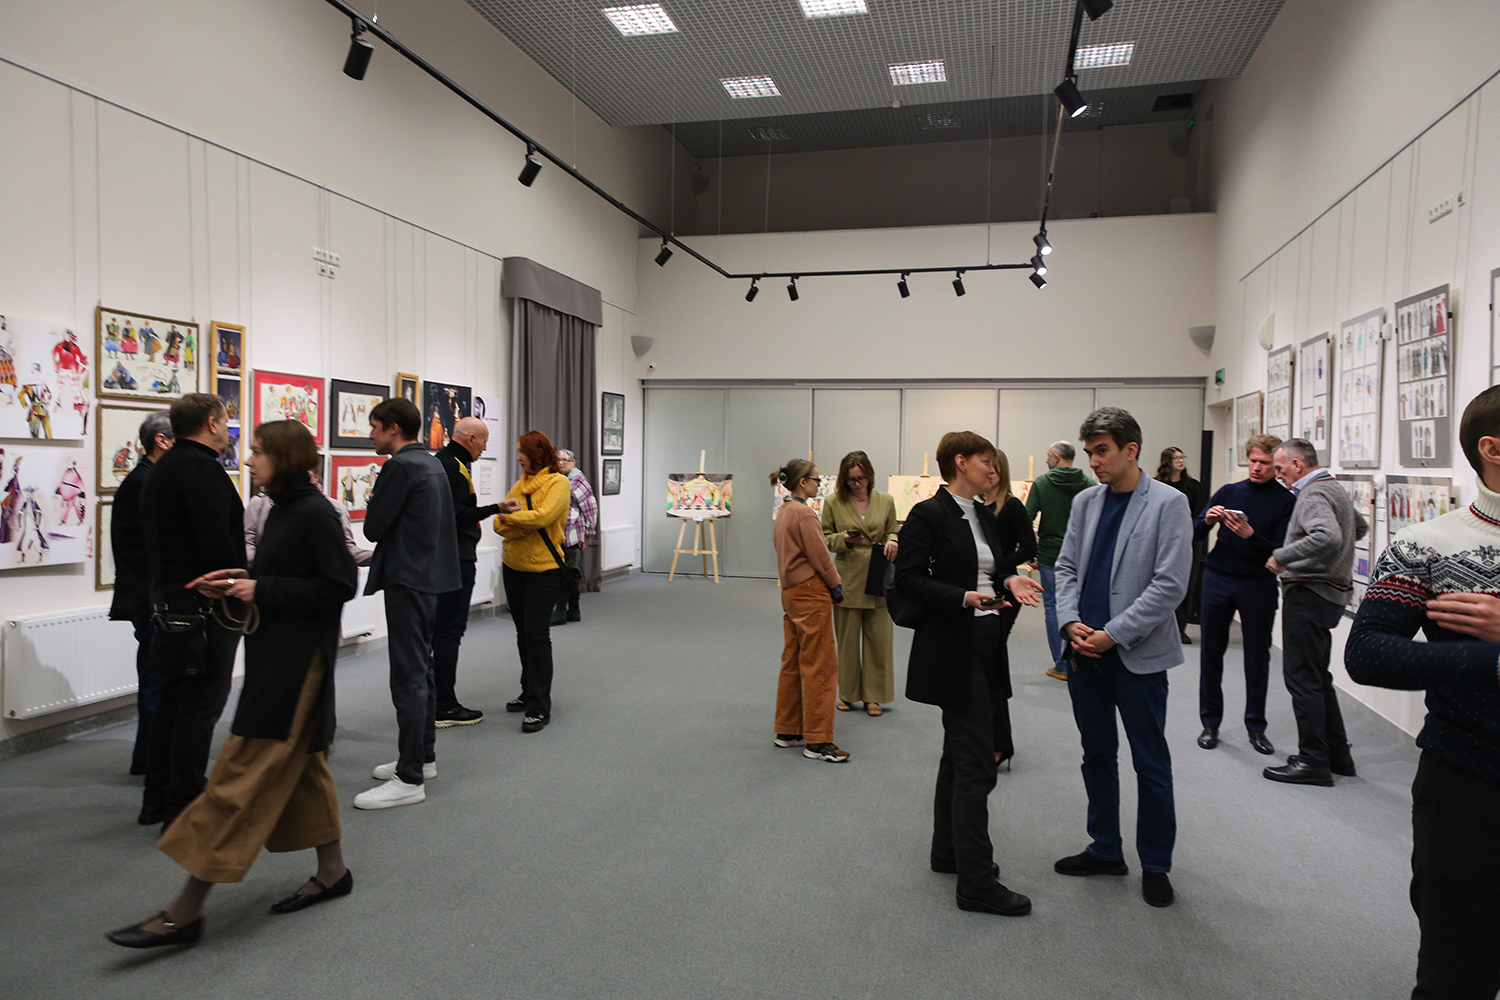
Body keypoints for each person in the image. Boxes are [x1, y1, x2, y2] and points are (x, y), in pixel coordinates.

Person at [106, 420, 358, 950]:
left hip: (296, 667)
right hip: (275, 657)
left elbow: (339, 585)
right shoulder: (280, 508)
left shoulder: (313, 512)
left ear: (285, 457)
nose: (247, 459)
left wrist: (260, 587)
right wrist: (237, 581)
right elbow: (285, 575)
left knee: (237, 780)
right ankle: (333, 871)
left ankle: (185, 911)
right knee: (305, 768)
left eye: (259, 451)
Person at [1346, 387, 1500, 998]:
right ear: (1492, 449)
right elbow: (1368, 653)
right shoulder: (1428, 544)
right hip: (1468, 784)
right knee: (1456, 972)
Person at [896, 431, 1043, 916]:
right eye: (986, 462)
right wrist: (961, 597)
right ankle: (976, 882)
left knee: (958, 755)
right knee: (978, 762)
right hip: (953, 646)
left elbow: (994, 568)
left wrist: (1010, 578)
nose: (994, 470)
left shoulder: (982, 514)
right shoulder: (929, 514)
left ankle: (948, 852)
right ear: (960, 463)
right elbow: (909, 579)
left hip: (986, 639)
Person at [1054, 407, 1191, 908]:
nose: (1093, 461)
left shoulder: (1169, 503)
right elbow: (1065, 568)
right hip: (1083, 654)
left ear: (1131, 450)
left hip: (1136, 655)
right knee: (1096, 755)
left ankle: (1156, 863)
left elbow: (1169, 585)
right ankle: (1105, 848)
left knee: (1150, 762)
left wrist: (1113, 634)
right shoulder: (1086, 501)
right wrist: (1069, 622)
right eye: (1089, 452)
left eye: (1102, 451)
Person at [138, 394, 247, 830]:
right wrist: (237, 584)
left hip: (171, 601)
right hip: (206, 605)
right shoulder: (201, 470)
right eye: (225, 421)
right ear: (211, 422)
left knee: (173, 700)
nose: (229, 430)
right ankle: (182, 804)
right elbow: (218, 544)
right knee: (201, 703)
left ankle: (157, 798)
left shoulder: (163, 467)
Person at [354, 397, 460, 810]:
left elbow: (374, 527)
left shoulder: (400, 467)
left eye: (374, 427)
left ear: (393, 428)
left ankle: (410, 776)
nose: (371, 435)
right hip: (427, 577)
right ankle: (422, 758)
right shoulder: (430, 463)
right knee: (422, 669)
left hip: (408, 578)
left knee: (409, 676)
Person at [1262, 438, 1367, 786]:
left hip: (1309, 593)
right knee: (1317, 677)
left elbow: (1328, 536)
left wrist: (1283, 556)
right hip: (1329, 595)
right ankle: (1337, 755)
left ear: (1297, 464)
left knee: (1302, 678)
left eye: (1280, 469)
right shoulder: (1332, 487)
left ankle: (1313, 761)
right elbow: (1358, 528)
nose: (1278, 475)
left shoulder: (1313, 493)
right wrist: (1335, 561)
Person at [1193, 434, 1295, 755]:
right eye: (1253, 461)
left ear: (1276, 465)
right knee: (1211, 652)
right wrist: (1207, 520)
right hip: (1218, 578)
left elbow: (1281, 550)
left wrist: (1251, 535)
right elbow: (1194, 530)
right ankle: (1210, 723)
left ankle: (1256, 727)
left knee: (1257, 657)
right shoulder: (1229, 491)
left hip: (1258, 584)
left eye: (1264, 463)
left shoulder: (1286, 501)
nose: (1257, 468)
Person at [109, 411, 174, 779]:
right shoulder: (144, 482)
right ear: (161, 441)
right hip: (150, 598)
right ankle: (150, 758)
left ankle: (147, 756)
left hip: (148, 594)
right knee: (156, 678)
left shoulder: (147, 479)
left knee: (156, 676)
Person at [771, 458, 847, 762]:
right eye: (816, 480)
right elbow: (821, 556)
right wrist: (836, 585)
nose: (819, 484)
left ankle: (787, 729)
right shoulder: (804, 514)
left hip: (790, 592)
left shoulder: (784, 511)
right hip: (811, 593)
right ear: (802, 482)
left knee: (792, 660)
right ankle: (818, 740)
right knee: (821, 665)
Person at [493, 431, 570, 733]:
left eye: (521, 452)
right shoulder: (520, 483)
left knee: (537, 635)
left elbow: (544, 517)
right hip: (513, 566)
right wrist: (517, 523)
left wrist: (513, 518)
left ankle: (539, 705)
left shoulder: (558, 482)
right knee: (522, 633)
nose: (518, 458)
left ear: (535, 453)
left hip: (544, 569)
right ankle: (528, 691)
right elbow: (498, 524)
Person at [433, 417, 502, 726]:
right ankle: (444, 705)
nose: (485, 448)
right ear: (471, 438)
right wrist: (497, 508)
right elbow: (458, 515)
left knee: (440, 632)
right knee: (449, 633)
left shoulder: (444, 462)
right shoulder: (453, 467)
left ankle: (436, 700)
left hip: (445, 557)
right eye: (484, 441)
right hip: (455, 559)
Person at [820, 451, 898, 717]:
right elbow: (824, 538)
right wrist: (842, 538)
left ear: (870, 476)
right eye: (851, 480)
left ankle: (874, 696)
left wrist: (893, 540)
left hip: (878, 574)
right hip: (847, 576)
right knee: (848, 641)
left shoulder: (886, 500)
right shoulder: (833, 502)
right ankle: (848, 693)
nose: (856, 484)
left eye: (861, 479)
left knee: (879, 641)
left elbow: (892, 530)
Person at [980, 448, 1037, 765]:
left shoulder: (1011, 506)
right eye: (985, 466)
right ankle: (988, 738)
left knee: (992, 664)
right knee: (985, 664)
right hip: (979, 589)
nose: (989, 471)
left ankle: (1001, 744)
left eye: (995, 467)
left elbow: (1029, 547)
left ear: (1003, 472)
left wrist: (997, 565)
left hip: (1006, 588)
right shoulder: (976, 505)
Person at [1026, 440, 1097, 681]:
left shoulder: (1042, 483)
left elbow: (1027, 518)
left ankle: (1062, 664)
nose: (1046, 459)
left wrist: (1027, 551)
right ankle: (1081, 657)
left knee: (1054, 607)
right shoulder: (1090, 485)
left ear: (1056, 457)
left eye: (1048, 455)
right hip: (1082, 556)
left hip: (1051, 555)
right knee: (1080, 606)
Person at [244, 473, 372, 567]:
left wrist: (379, 557)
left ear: (316, 476)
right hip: (267, 584)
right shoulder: (260, 503)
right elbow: (248, 543)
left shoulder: (334, 507)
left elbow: (346, 550)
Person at [1155, 446, 1205, 644]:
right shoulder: (1157, 485)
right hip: (1162, 539)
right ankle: (1158, 626)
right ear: (1167, 462)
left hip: (1190, 540)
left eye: (1182, 457)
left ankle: (1180, 628)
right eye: (1176, 458)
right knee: (1159, 582)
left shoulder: (1194, 486)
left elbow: (1200, 514)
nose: (1181, 461)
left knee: (1187, 585)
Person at [551, 448, 598, 626]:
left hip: (573, 534)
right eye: (558, 460)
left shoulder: (578, 481)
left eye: (565, 460)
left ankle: (562, 609)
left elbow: (591, 509)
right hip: (560, 534)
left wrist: (588, 536)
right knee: (567, 571)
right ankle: (573, 610)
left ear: (573, 463)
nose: (561, 463)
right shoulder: (559, 479)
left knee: (569, 572)